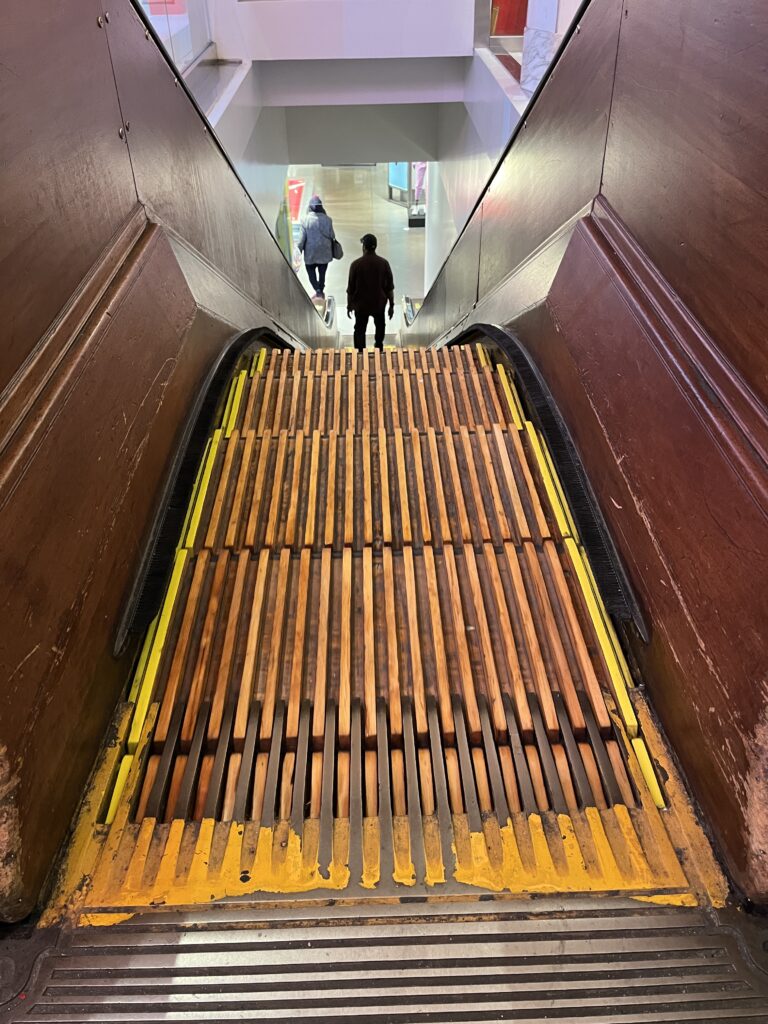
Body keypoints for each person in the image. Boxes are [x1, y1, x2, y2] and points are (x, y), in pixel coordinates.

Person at [346, 234, 395, 351]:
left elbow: (350, 289)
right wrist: (391, 305)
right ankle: (378, 347)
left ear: (364, 247)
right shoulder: (384, 263)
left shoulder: (355, 265)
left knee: (359, 329)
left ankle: (360, 352)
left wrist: (349, 306)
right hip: (378, 303)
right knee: (380, 326)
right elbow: (389, 287)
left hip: (361, 305)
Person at [297, 195, 334, 299]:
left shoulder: (305, 220)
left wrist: (297, 253)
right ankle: (321, 290)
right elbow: (332, 236)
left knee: (311, 274)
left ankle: (317, 290)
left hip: (310, 255)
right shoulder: (328, 220)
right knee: (322, 274)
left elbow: (301, 240)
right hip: (324, 254)